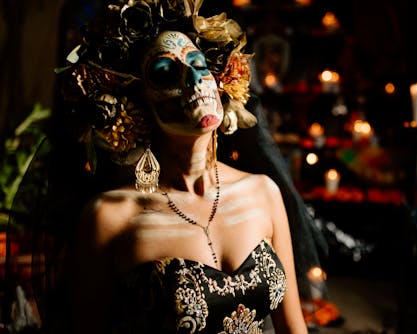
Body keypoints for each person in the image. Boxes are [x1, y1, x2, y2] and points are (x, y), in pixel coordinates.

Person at [52, 1, 309, 333]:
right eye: (164, 72)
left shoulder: (263, 192)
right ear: (136, 101)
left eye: (199, 65)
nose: (195, 80)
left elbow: (293, 327)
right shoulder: (111, 216)